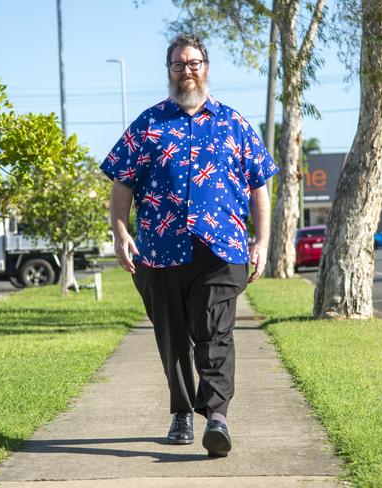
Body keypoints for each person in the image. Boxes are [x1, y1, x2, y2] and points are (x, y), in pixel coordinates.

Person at [100, 34, 278, 458]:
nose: (187, 71)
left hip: (221, 250)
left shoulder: (234, 123)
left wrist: (262, 240)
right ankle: (181, 411)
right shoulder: (148, 125)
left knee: (215, 330)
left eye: (194, 63)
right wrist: (120, 231)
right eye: (178, 65)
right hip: (160, 252)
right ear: (169, 71)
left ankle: (217, 416)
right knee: (173, 336)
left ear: (207, 68)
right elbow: (122, 183)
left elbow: (260, 186)